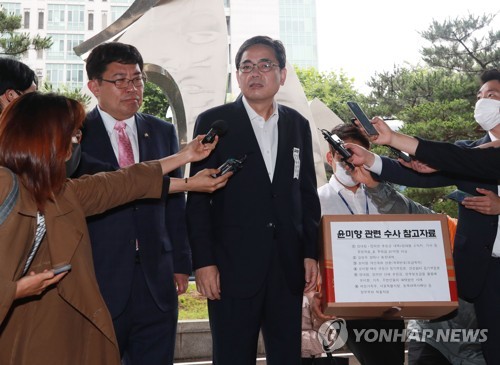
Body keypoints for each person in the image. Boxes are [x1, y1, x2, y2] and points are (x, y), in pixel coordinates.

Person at [0, 92, 229, 364]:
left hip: (48, 327)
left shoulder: (58, 192)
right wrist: (16, 290)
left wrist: (185, 159)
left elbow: (123, 183)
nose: (76, 146)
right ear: (45, 138)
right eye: (72, 136)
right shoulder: (5, 185)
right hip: (20, 328)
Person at [346, 69, 500, 364]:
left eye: (491, 95)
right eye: (478, 96)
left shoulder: (469, 156)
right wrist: (373, 159)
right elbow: (421, 174)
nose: (482, 102)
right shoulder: (464, 153)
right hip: (486, 274)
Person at [186, 35, 321, 365]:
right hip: (231, 268)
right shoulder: (215, 123)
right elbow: (198, 199)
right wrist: (203, 263)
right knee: (232, 356)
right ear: (238, 75)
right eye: (246, 66)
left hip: (286, 267)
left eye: (265, 65)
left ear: (282, 74)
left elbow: (304, 193)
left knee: (287, 356)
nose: (255, 73)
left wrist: (309, 253)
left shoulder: (297, 125)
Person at [73, 42, 191, 365]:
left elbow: (174, 202)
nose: (131, 89)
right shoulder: (76, 134)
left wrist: (181, 262)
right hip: (99, 276)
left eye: (137, 79)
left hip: (156, 278)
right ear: (94, 86)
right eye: (119, 80)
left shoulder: (162, 132)